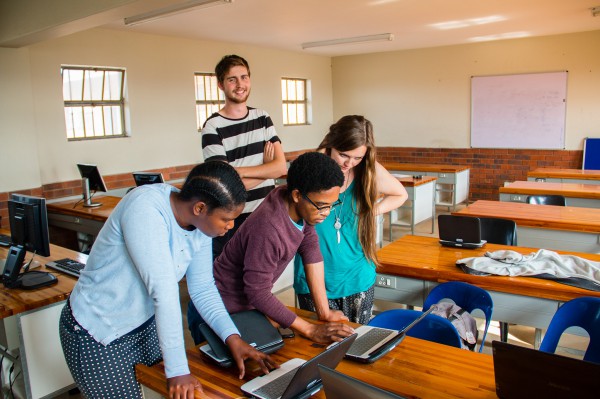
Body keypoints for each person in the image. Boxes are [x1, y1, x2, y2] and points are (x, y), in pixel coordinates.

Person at [59, 161, 276, 399]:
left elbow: (202, 288)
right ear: (200, 208)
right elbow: (164, 294)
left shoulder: (201, 226)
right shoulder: (145, 209)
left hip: (143, 323)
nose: (231, 225)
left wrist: (232, 336)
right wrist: (178, 371)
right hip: (98, 330)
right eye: (226, 218)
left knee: (154, 391)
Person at [188, 152, 355, 344]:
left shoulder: (296, 203)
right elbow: (257, 292)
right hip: (219, 311)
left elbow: (310, 249)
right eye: (321, 206)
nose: (326, 213)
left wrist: (324, 312)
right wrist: (310, 329)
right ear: (297, 196)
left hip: (245, 309)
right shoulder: (268, 228)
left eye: (331, 205)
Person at [294, 115, 409, 324]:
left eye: (357, 157)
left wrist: (370, 212)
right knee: (322, 347)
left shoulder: (367, 171)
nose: (349, 163)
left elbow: (400, 194)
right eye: (343, 154)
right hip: (317, 279)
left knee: (358, 345)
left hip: (358, 277)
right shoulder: (312, 168)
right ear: (331, 144)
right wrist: (321, 157)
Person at [202, 54, 287, 258]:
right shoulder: (213, 126)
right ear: (221, 84)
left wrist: (236, 172)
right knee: (230, 284)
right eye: (232, 79)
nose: (240, 84)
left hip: (266, 213)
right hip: (231, 218)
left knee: (261, 281)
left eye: (244, 77)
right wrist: (266, 170)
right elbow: (224, 185)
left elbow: (281, 168)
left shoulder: (262, 117)